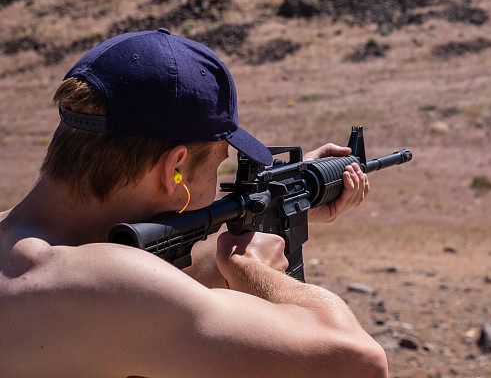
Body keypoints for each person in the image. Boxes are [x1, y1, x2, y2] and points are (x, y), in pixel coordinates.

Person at [0, 28, 388, 378]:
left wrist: (278, 203)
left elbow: (164, 275)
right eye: (220, 166)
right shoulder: (111, 288)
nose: (216, 191)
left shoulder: (35, 261)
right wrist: (253, 270)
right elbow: (360, 362)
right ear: (175, 169)